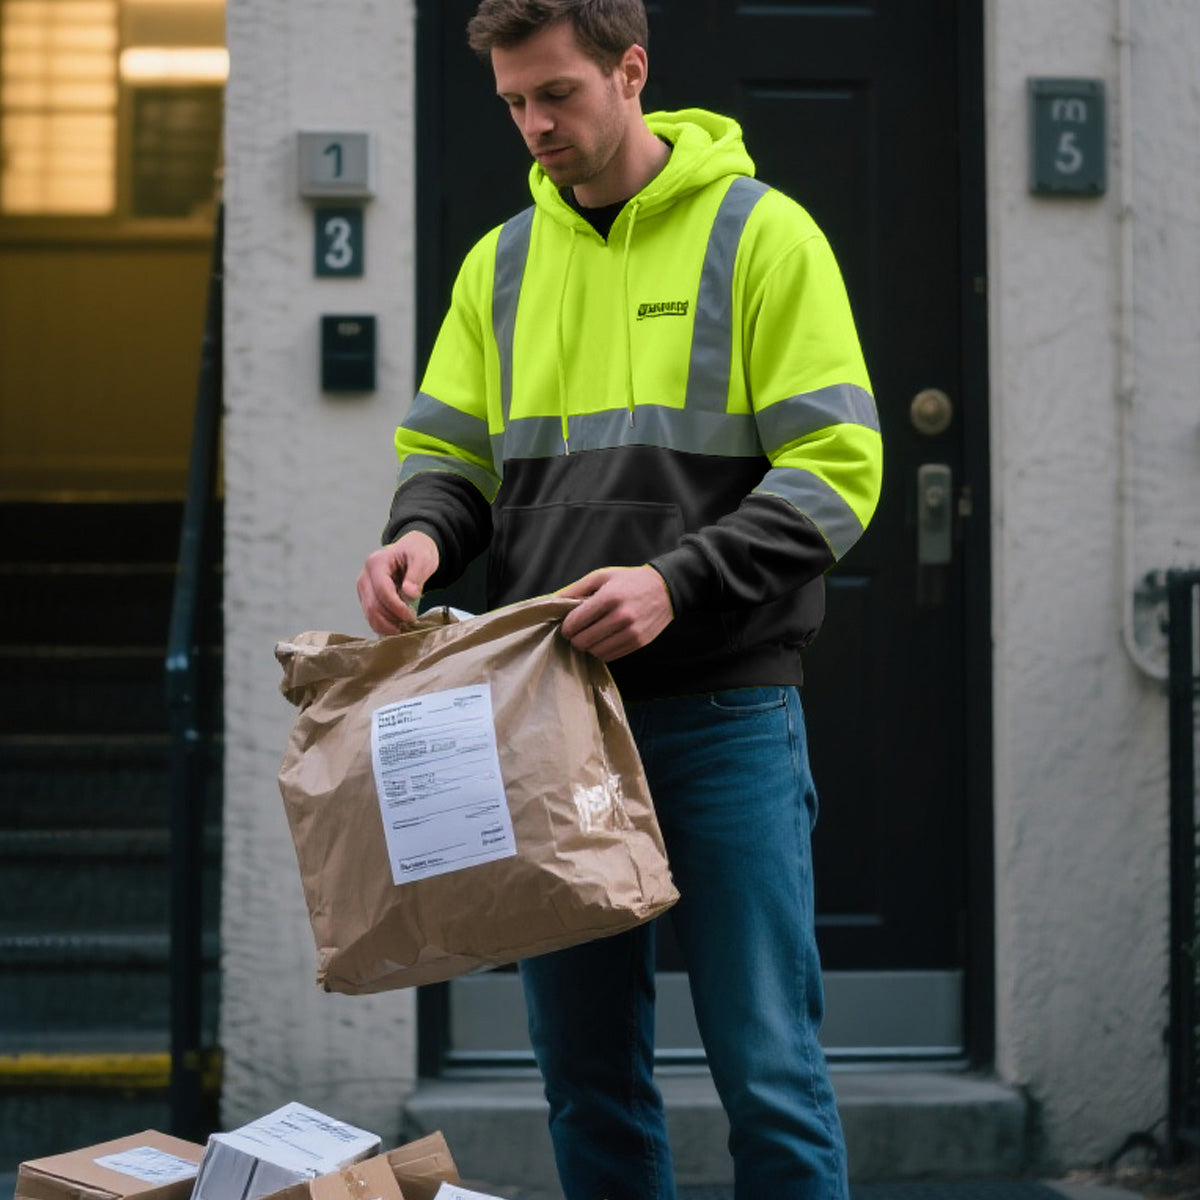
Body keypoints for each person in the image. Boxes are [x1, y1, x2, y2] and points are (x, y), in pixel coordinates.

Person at [357, 1, 882, 1196]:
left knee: (772, 1076)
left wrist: (673, 582)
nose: (534, 125)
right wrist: (418, 540)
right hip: (550, 731)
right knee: (587, 1077)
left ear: (629, 70)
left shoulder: (764, 237)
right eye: (513, 104)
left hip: (725, 721)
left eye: (558, 94)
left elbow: (841, 474)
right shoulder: (499, 265)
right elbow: (452, 459)